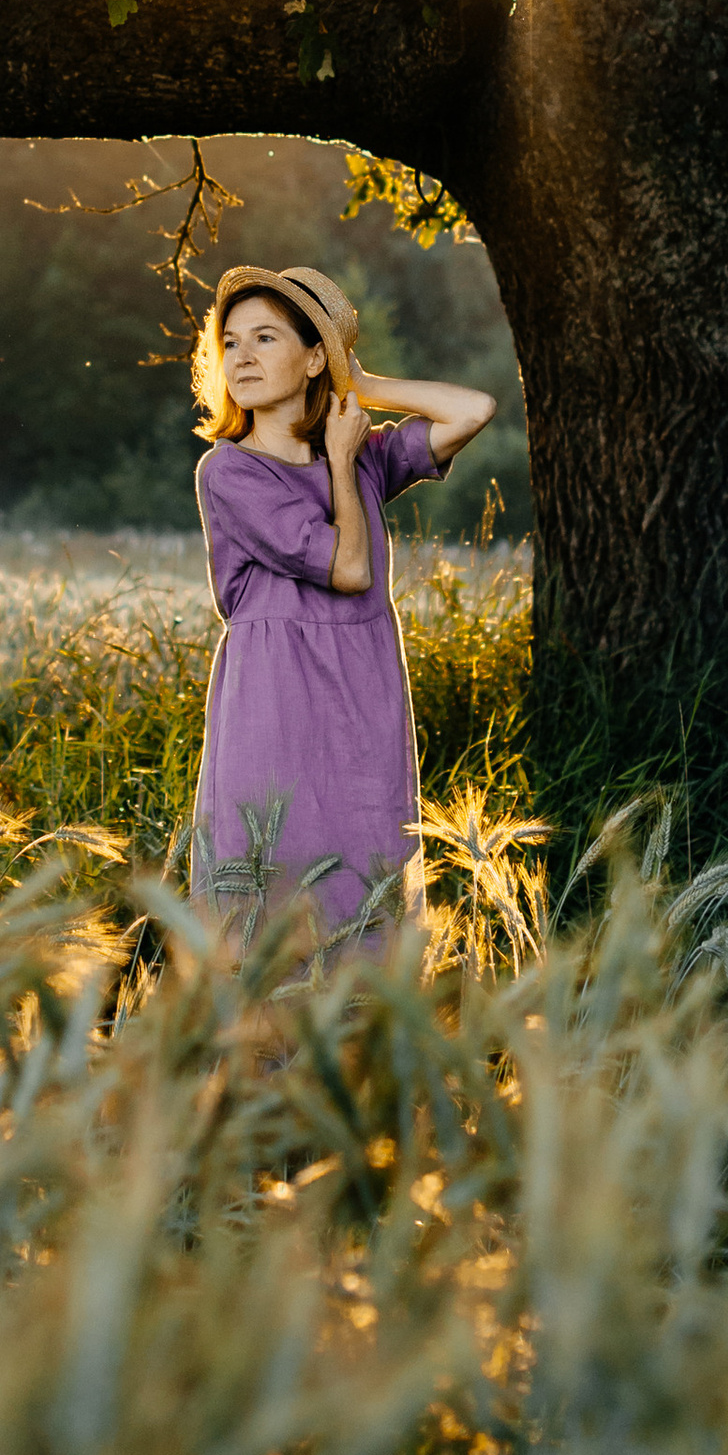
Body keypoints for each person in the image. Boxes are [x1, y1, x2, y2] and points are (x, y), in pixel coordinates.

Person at [187, 260, 496, 958]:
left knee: (363, 876)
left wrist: (367, 388)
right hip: (274, 697)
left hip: (361, 689)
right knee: (269, 878)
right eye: (229, 342)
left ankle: (361, 1053)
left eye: (265, 339)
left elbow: (474, 410)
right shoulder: (230, 471)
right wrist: (340, 463)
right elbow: (349, 568)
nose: (240, 357)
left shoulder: (357, 455)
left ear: (314, 357)